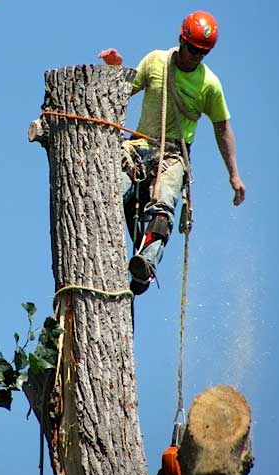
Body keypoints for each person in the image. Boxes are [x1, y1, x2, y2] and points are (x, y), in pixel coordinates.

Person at [98, 10, 246, 295]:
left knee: (163, 207)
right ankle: (104, 248)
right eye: (192, 49)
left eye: (203, 53)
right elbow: (120, 94)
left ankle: (145, 265)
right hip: (138, 148)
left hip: (173, 156)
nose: (196, 56)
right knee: (111, 192)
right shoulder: (156, 62)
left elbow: (222, 128)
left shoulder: (209, 86)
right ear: (181, 39)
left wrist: (234, 174)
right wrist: (114, 70)